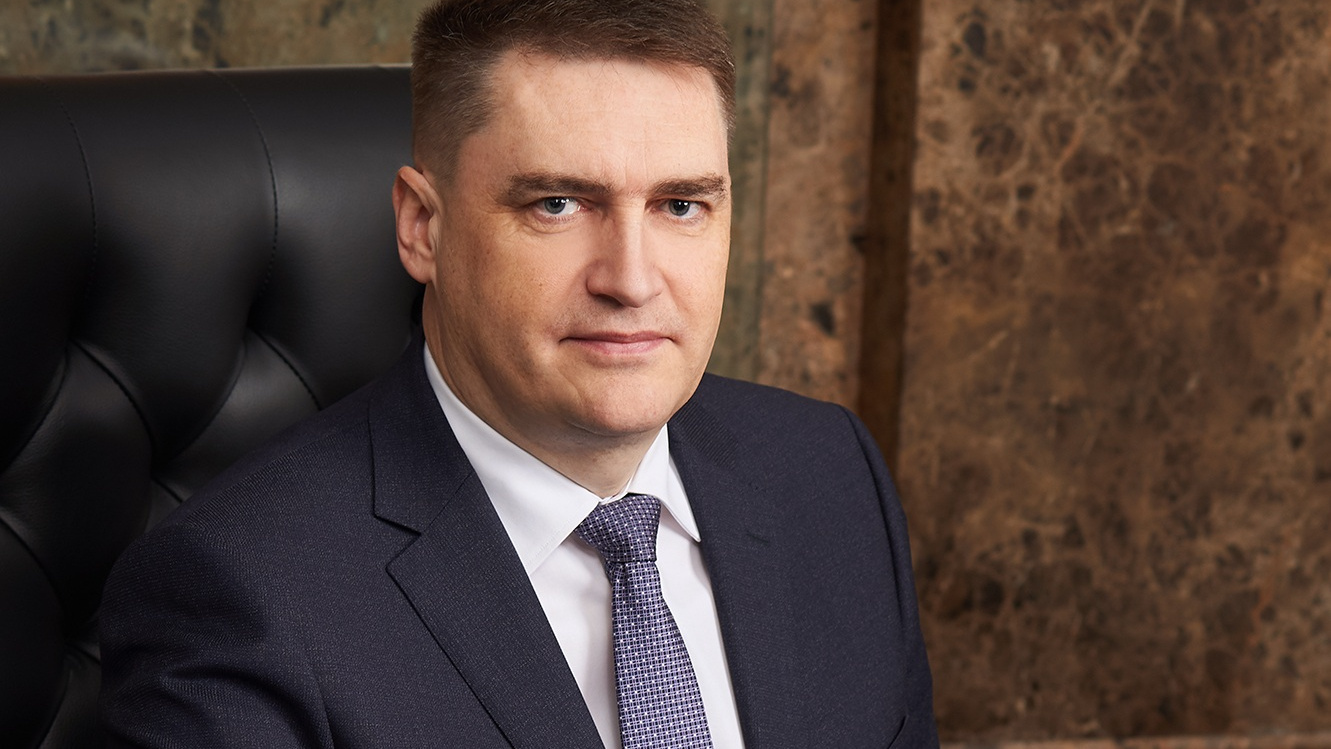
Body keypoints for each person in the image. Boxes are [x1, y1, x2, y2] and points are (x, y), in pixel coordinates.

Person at [99, 0, 939, 746]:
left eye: (680, 204)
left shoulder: (829, 476)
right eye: (557, 204)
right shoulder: (240, 593)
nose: (631, 279)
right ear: (422, 226)